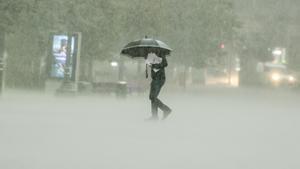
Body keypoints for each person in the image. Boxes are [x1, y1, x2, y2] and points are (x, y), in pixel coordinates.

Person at [145, 51, 172, 121]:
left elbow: (165, 64)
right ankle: (155, 116)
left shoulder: (160, 53)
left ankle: (166, 109)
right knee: (152, 97)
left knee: (152, 97)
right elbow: (152, 64)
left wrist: (153, 65)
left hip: (159, 78)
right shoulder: (150, 54)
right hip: (155, 79)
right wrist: (149, 63)